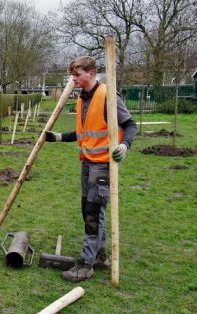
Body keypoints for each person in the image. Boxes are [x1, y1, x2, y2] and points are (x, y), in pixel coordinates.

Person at [44, 56, 137, 282]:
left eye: (77, 75)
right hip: (87, 163)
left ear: (92, 73)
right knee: (88, 210)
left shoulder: (107, 96)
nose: (73, 79)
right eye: (72, 75)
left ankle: (86, 264)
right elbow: (85, 133)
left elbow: (130, 125)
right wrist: (58, 138)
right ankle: (100, 256)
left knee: (94, 213)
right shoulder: (82, 99)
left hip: (103, 165)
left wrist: (125, 146)